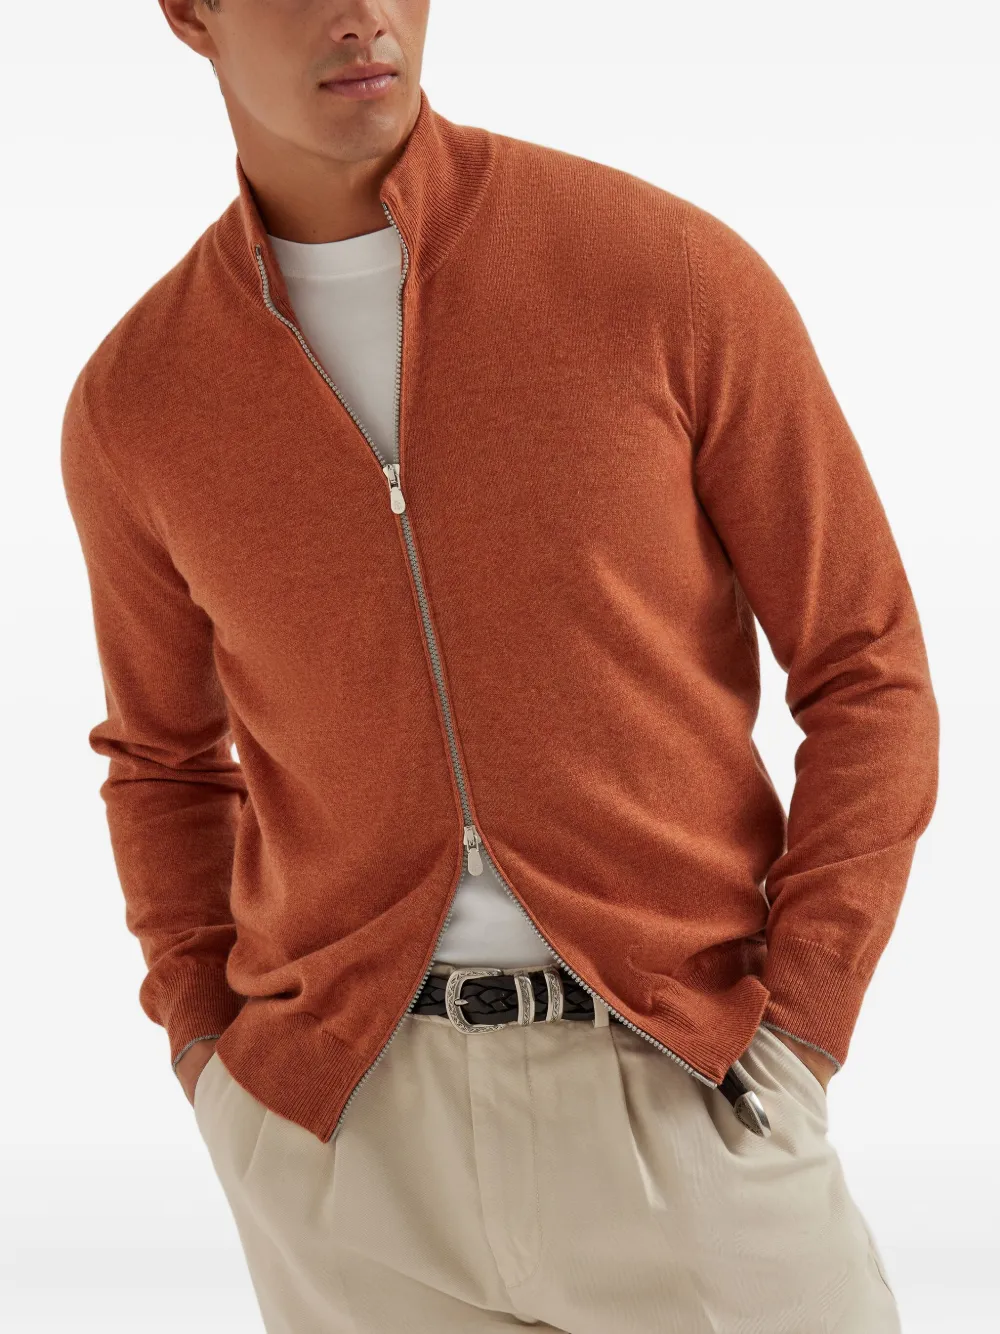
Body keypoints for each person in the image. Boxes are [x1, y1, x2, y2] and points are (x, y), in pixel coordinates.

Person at [60, 1, 939, 1330]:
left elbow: (868, 668)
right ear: (192, 13)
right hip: (349, 1148)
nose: (364, 15)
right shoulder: (139, 399)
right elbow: (162, 763)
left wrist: (802, 1024)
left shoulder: (660, 273)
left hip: (680, 1084)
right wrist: (214, 1063)